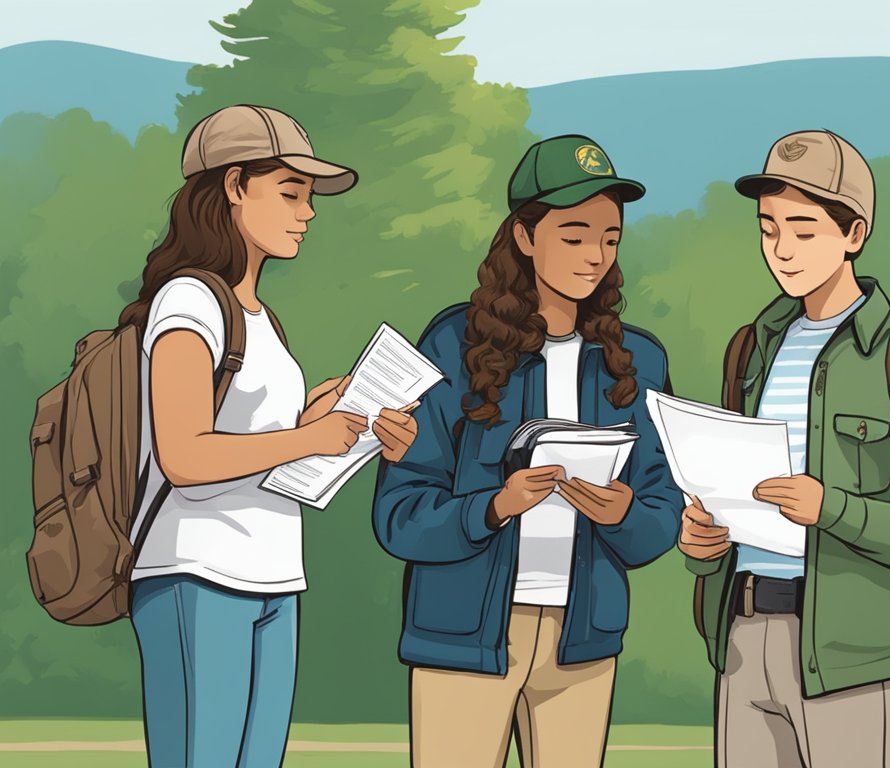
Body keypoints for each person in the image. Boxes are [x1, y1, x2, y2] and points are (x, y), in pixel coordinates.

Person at [120, 104, 418, 767]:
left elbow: (256, 436)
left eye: (308, 198)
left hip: (274, 575)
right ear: (232, 188)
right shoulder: (189, 302)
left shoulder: (262, 319)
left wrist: (331, 415)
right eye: (289, 193)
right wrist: (306, 440)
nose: (306, 213)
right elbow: (185, 453)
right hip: (195, 572)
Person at [679, 129, 890, 767]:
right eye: (768, 229)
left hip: (859, 658)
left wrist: (834, 509)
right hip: (741, 638)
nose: (781, 250)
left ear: (854, 235)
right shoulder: (750, 348)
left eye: (803, 229)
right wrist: (703, 543)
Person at [371, 135, 682, 768]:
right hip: (462, 639)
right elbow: (398, 515)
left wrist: (623, 514)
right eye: (574, 236)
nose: (595, 256)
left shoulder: (640, 361)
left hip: (584, 642)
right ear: (523, 235)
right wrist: (493, 508)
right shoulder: (452, 343)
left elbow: (664, 513)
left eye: (610, 238)